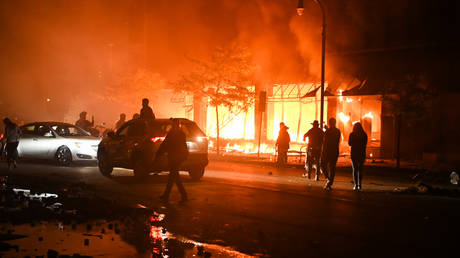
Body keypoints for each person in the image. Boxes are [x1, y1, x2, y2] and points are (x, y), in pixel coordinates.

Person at [157, 119, 188, 202]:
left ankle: (182, 196)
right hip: (173, 157)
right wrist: (159, 152)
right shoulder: (173, 134)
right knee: (174, 176)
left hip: (176, 158)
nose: (173, 126)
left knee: (173, 176)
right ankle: (170, 195)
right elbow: (165, 144)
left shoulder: (179, 134)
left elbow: (182, 146)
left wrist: (159, 153)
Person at [321, 118, 341, 190]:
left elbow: (326, 142)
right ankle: (329, 181)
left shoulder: (328, 131)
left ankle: (328, 179)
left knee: (323, 165)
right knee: (332, 167)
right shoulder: (338, 131)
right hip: (334, 151)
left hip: (328, 151)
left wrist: (327, 130)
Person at [348, 122, 368, 190]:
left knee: (355, 169)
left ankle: (356, 185)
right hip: (362, 153)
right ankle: (360, 184)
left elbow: (349, 143)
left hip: (354, 153)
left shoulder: (352, 134)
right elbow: (365, 143)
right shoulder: (364, 134)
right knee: (360, 169)